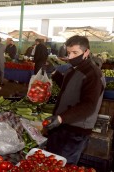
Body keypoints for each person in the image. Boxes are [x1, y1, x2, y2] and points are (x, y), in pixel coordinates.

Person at [45, 35, 105, 165]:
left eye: (75, 53)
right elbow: (70, 88)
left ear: (86, 52)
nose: (70, 57)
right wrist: (55, 75)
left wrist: (61, 118)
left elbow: (88, 105)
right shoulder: (74, 69)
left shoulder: (93, 74)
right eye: (68, 53)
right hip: (62, 125)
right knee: (50, 162)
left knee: (64, 164)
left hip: (75, 131)